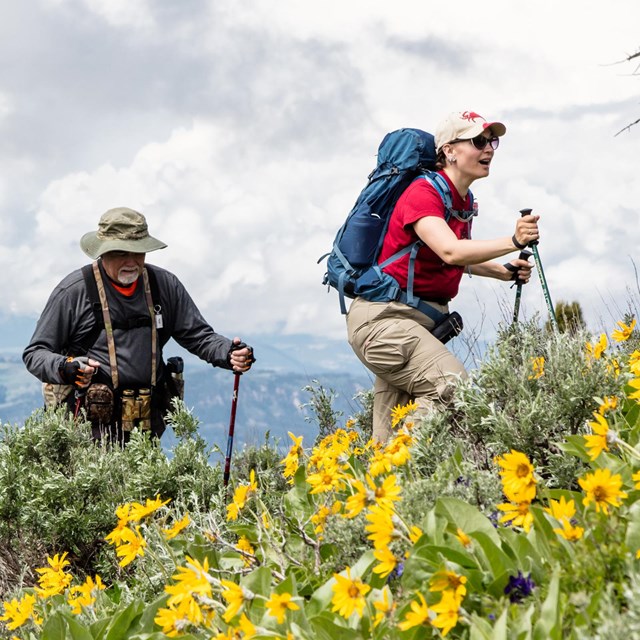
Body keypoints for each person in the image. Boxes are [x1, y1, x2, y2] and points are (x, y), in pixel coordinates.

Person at [346, 111, 538, 442]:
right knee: (452, 388)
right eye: (479, 141)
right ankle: (404, 466)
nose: (489, 149)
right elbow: (450, 251)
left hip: (409, 327)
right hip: (385, 324)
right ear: (449, 150)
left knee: (386, 436)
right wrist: (514, 242)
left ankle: (384, 482)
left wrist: (502, 272)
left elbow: (446, 255)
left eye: (492, 141)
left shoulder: (461, 199)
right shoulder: (423, 194)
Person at [23, 207, 255, 442]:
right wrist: (66, 367)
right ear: (103, 252)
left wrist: (228, 353)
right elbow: (35, 354)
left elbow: (199, 336)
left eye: (139, 252)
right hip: (84, 429)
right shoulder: (74, 292)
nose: (132, 261)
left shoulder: (164, 285)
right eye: (122, 253)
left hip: (146, 427)